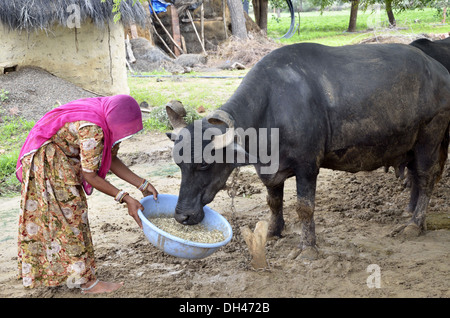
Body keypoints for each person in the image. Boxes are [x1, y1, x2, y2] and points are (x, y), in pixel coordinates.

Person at [15, 94, 158, 294]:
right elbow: (90, 175)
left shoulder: (105, 117)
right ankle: (88, 283)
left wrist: (142, 184)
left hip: (60, 158)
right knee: (71, 216)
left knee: (66, 217)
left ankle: (73, 273)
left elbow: (111, 159)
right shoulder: (92, 127)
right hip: (50, 161)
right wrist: (125, 198)